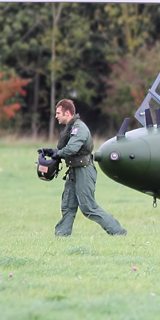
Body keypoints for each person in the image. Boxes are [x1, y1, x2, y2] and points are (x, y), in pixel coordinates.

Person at [51, 99, 126, 237]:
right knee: (68, 205)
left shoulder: (79, 128)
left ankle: (118, 231)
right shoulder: (70, 128)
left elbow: (72, 149)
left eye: (58, 113)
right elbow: (65, 149)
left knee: (88, 207)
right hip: (74, 170)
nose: (56, 116)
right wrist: (51, 151)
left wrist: (57, 154)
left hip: (84, 170)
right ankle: (61, 235)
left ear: (67, 113)